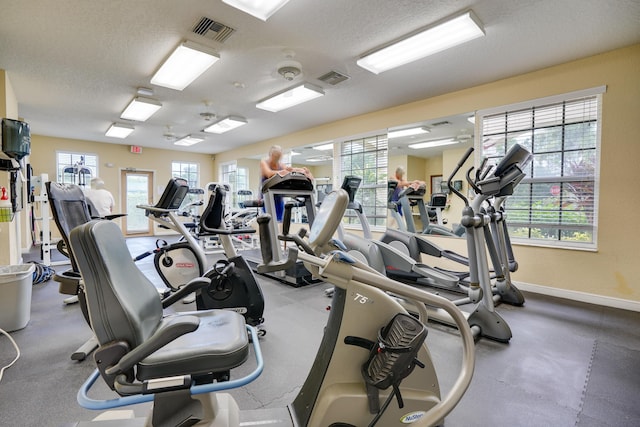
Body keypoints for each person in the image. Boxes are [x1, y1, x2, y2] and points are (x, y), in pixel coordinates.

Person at [260, 145, 313, 221]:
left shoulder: (280, 165)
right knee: (269, 221)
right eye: (276, 156)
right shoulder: (264, 162)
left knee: (280, 221)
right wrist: (284, 172)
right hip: (266, 197)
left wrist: (302, 171)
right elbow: (269, 173)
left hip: (278, 198)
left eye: (279, 157)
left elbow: (289, 170)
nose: (277, 159)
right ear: (271, 155)